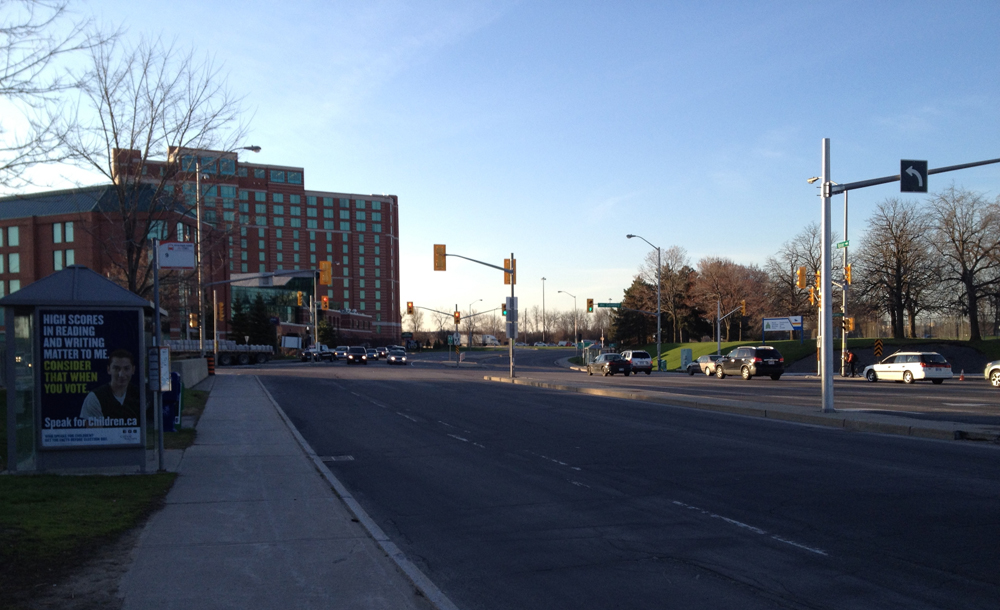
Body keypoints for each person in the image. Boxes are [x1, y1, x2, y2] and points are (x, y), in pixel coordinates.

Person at [80, 349, 140, 421]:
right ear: (108, 369)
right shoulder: (94, 398)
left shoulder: (140, 395)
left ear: (133, 370)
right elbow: (92, 428)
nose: (121, 374)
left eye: (126, 368)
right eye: (116, 368)